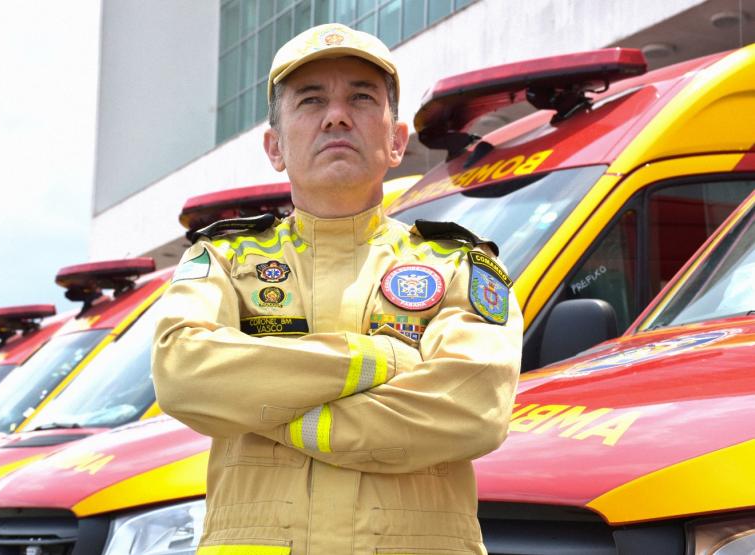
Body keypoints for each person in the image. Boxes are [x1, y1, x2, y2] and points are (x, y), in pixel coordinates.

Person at [153, 23, 523, 555]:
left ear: (396, 141)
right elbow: (182, 375)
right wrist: (380, 360)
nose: (336, 115)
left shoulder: (457, 266)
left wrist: (266, 408)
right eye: (310, 100)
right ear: (274, 146)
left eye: (361, 97)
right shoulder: (224, 259)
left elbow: (471, 410)